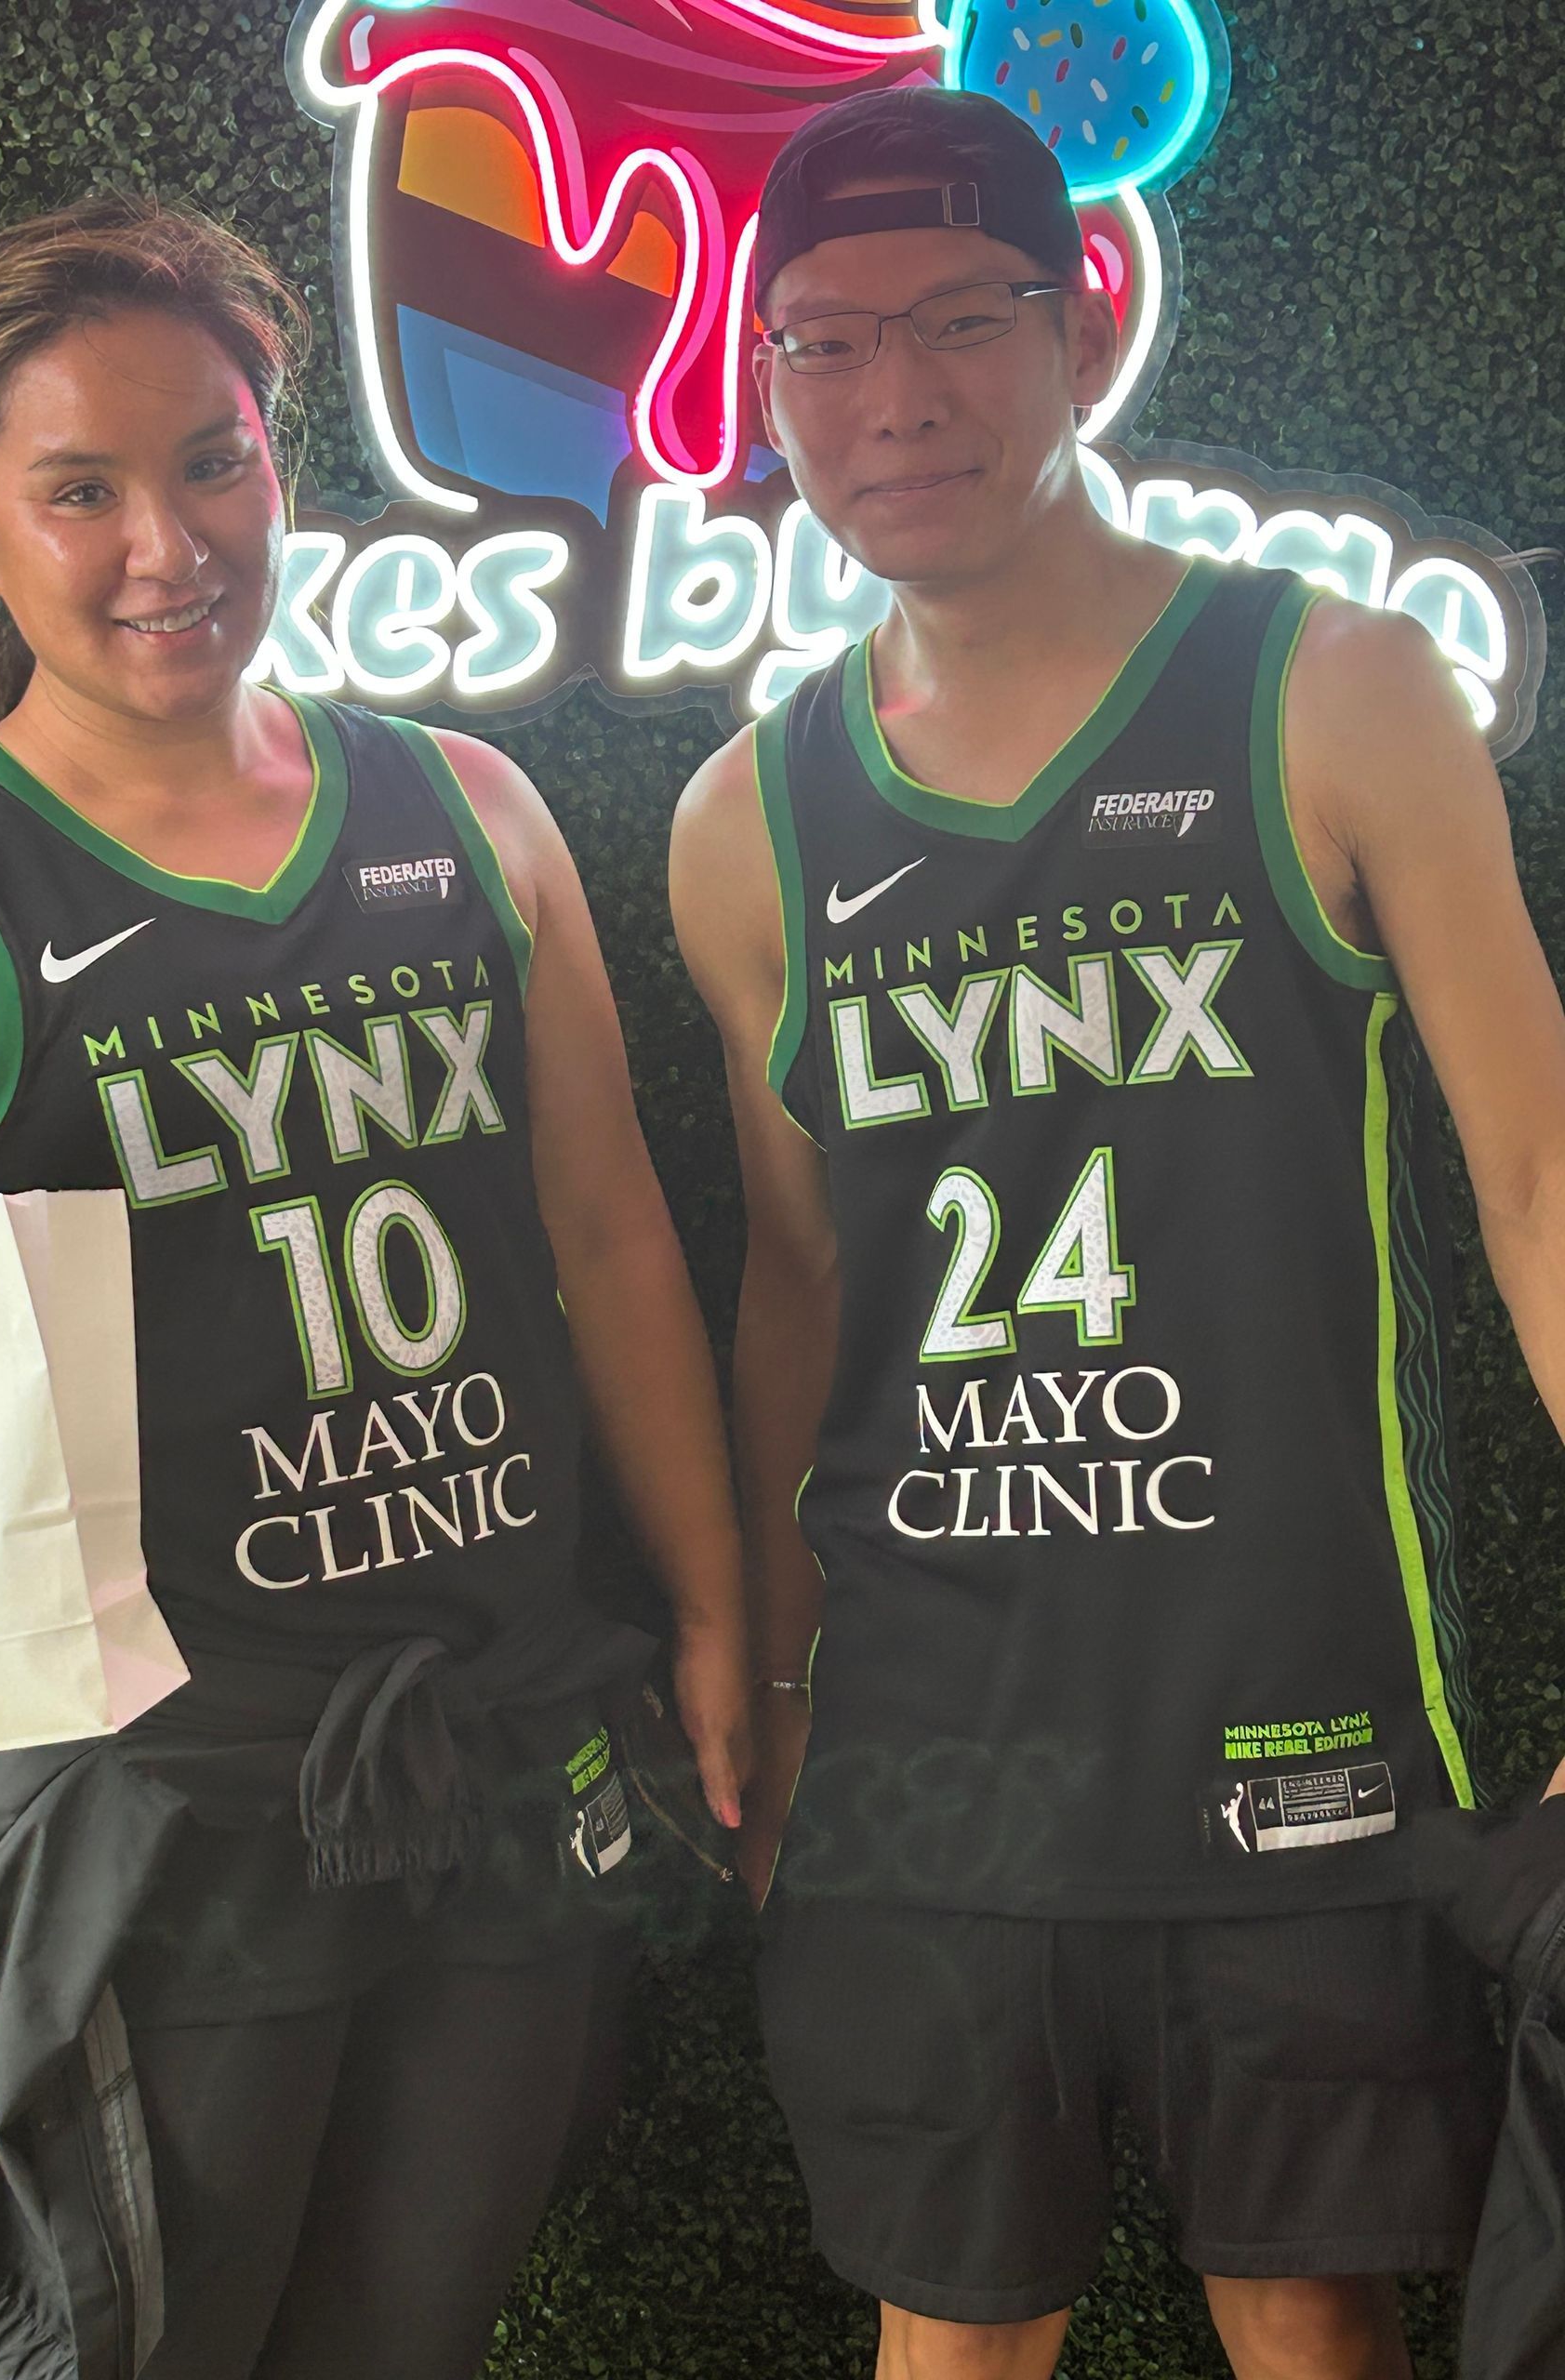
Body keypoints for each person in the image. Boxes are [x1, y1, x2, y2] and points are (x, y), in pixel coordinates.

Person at [0, 192, 749, 2380]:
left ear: (279, 454)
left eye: (213, 461)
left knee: (407, 2341)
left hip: (500, 1740)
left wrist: (711, 1612)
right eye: (80, 489)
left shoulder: (468, 811)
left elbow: (606, 1239)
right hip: (165, 1805)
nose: (167, 544)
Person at [670, 84, 1563, 2380]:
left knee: (1313, 2310)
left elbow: (1542, 1180)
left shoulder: (1332, 689)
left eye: (961, 323)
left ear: (1080, 339)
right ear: (767, 385)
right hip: (933, 1747)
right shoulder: (744, 821)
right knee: (952, 2325)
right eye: (827, 344)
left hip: (1300, 1709)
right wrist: (767, 1677)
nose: (897, 400)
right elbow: (800, 1286)